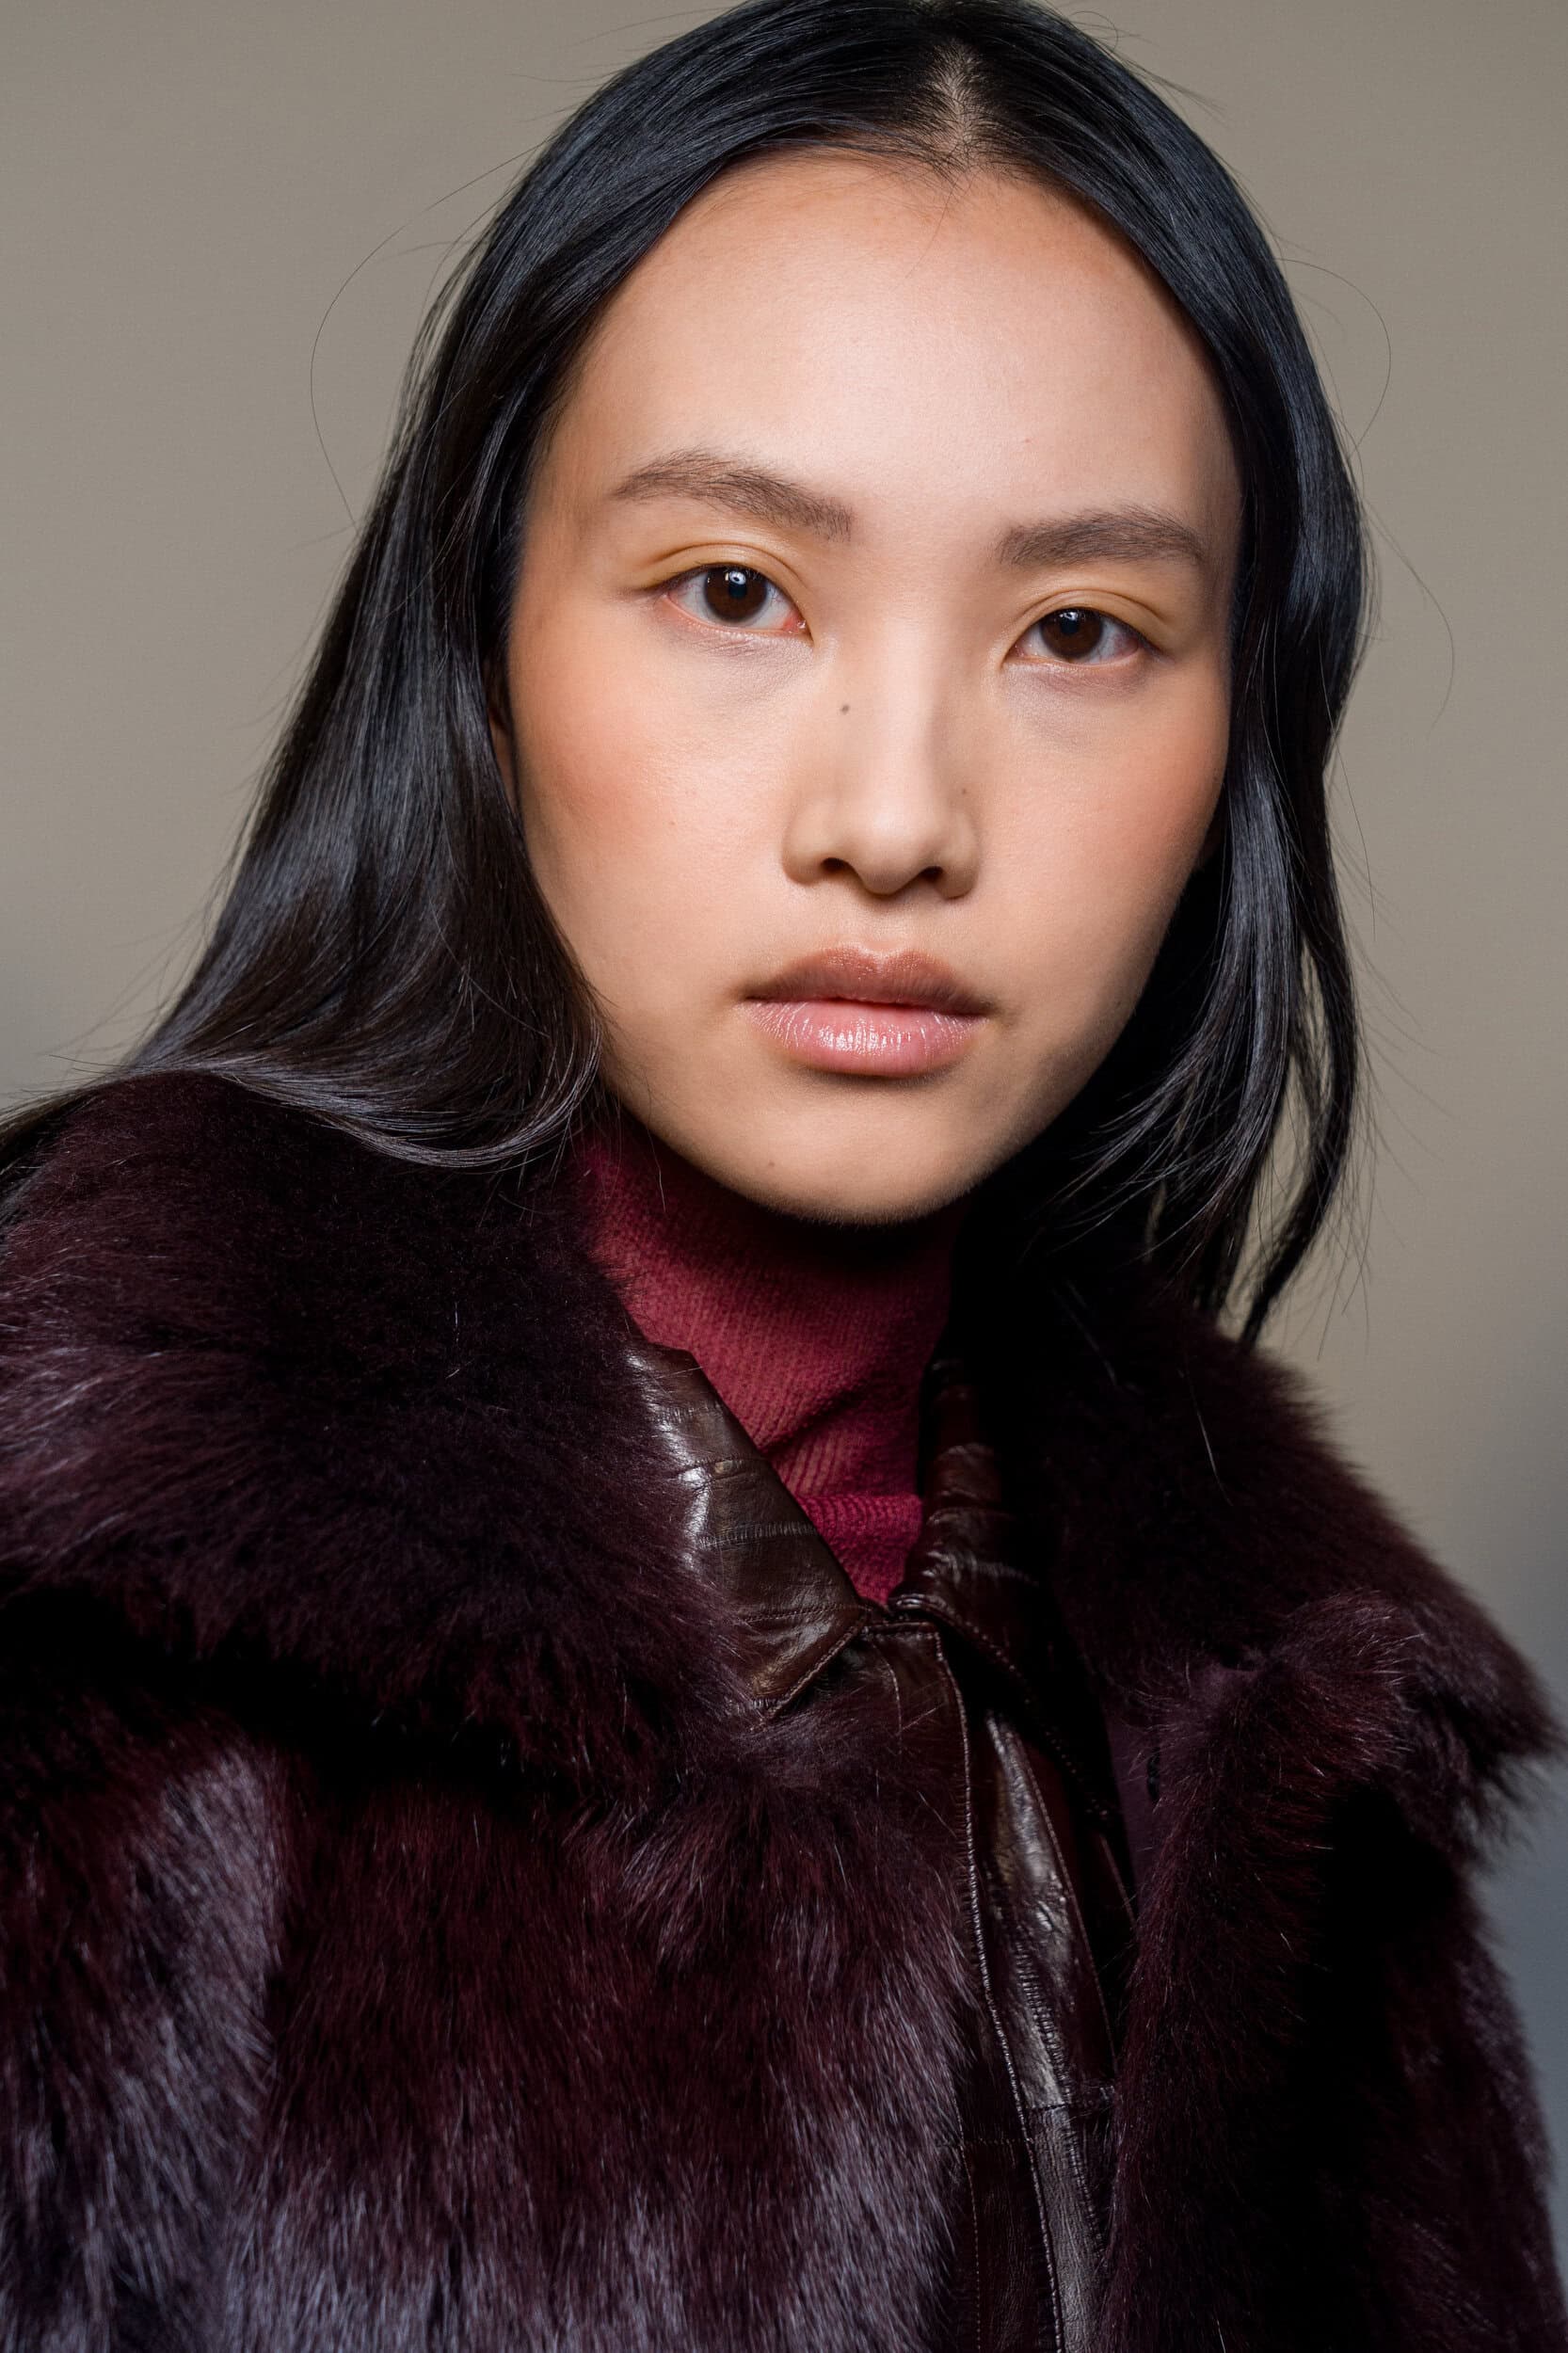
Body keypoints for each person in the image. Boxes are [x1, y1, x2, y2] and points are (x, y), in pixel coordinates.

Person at [0, 1, 1562, 2345]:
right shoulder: (85, 1621)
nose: (895, 814)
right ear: (481, 654)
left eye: (1077, 631)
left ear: (1236, 740)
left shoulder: (1295, 1751)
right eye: (734, 587)